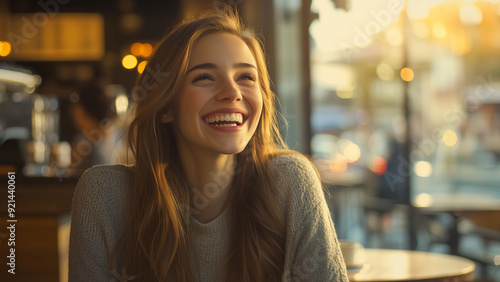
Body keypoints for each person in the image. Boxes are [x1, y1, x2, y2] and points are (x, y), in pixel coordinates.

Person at [68, 7, 348, 282]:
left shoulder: (291, 182)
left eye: (246, 77)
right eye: (204, 77)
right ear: (166, 105)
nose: (232, 93)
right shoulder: (105, 196)